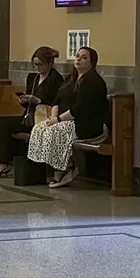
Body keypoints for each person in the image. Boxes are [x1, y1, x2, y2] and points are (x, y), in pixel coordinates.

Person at [27, 47, 109, 188]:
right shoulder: (70, 79)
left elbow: (79, 109)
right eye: (77, 56)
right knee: (40, 128)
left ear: (92, 62)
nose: (79, 59)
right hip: (68, 120)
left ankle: (65, 168)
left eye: (84, 57)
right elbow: (56, 100)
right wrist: (53, 117)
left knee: (57, 130)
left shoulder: (93, 81)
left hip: (89, 126)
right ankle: (47, 168)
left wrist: (58, 120)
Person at [0, 46, 64, 178]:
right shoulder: (33, 78)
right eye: (35, 65)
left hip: (42, 118)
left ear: (50, 63)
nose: (38, 68)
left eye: (41, 65)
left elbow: (55, 102)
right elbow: (28, 103)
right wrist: (23, 100)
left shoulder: (56, 79)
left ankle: (4, 163)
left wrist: (37, 100)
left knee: (5, 125)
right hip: (29, 115)